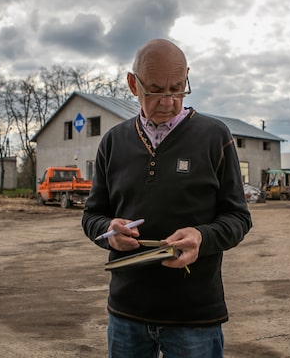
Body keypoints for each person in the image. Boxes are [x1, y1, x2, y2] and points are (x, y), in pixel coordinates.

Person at [82, 38, 252, 358]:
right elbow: (92, 216)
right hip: (126, 313)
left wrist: (201, 236)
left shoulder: (215, 137)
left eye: (178, 89)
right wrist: (108, 232)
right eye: (156, 90)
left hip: (194, 316)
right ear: (133, 84)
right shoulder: (113, 142)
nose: (169, 102)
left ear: (187, 78)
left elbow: (238, 218)